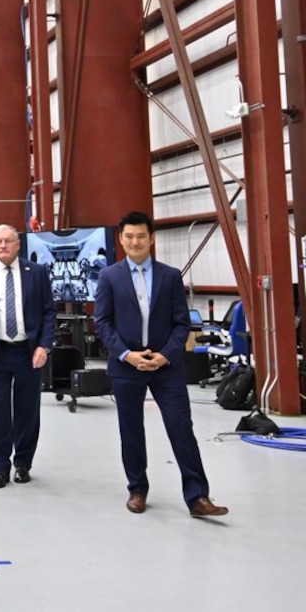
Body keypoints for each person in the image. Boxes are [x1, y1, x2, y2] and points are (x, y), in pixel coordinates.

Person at [93, 211, 229, 518]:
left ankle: (197, 497)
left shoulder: (169, 275)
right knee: (131, 430)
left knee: (181, 427)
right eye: (129, 236)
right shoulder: (109, 276)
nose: (135, 242)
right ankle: (137, 489)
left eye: (141, 236)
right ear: (121, 239)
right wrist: (127, 355)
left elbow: (182, 324)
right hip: (126, 366)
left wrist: (165, 355)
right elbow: (102, 322)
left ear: (152, 238)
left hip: (166, 367)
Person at [0, 225, 55, 488]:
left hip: (28, 352)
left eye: (8, 241)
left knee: (27, 410)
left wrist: (44, 345)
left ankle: (23, 464)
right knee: (0, 411)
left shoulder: (36, 273)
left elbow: (48, 312)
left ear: (18, 244)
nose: (3, 246)